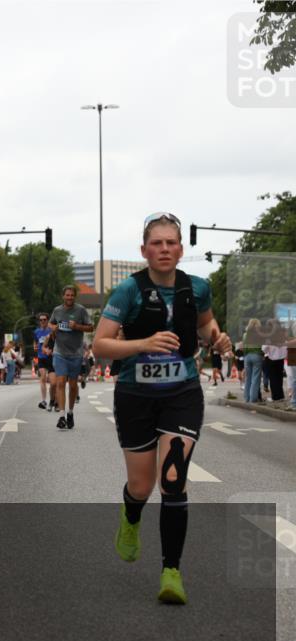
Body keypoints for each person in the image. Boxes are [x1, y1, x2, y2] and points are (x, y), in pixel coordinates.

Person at [94, 212, 231, 605]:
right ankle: (131, 516)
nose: (165, 249)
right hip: (136, 396)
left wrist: (218, 341)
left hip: (182, 394)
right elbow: (100, 346)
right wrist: (142, 344)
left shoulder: (197, 288)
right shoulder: (128, 292)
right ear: (144, 250)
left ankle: (171, 571)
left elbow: (206, 327)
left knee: (173, 477)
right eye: (157, 243)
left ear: (181, 250)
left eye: (171, 242)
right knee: (142, 485)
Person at [49, 285, 94, 429]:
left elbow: (90, 327)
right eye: (67, 295)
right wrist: (53, 327)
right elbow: (51, 323)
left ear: (75, 296)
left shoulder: (80, 310)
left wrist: (77, 326)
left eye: (72, 295)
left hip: (75, 353)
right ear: (63, 296)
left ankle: (70, 412)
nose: (69, 297)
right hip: (59, 352)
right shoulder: (57, 310)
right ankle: (61, 416)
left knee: (73, 386)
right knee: (60, 382)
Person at [33, 314, 53, 409]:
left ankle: (53, 399)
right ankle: (44, 400)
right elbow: (35, 341)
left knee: (53, 381)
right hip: (41, 357)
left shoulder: (51, 330)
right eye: (41, 320)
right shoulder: (37, 331)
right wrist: (35, 346)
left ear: (47, 320)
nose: (42, 321)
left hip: (51, 357)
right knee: (43, 378)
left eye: (44, 319)